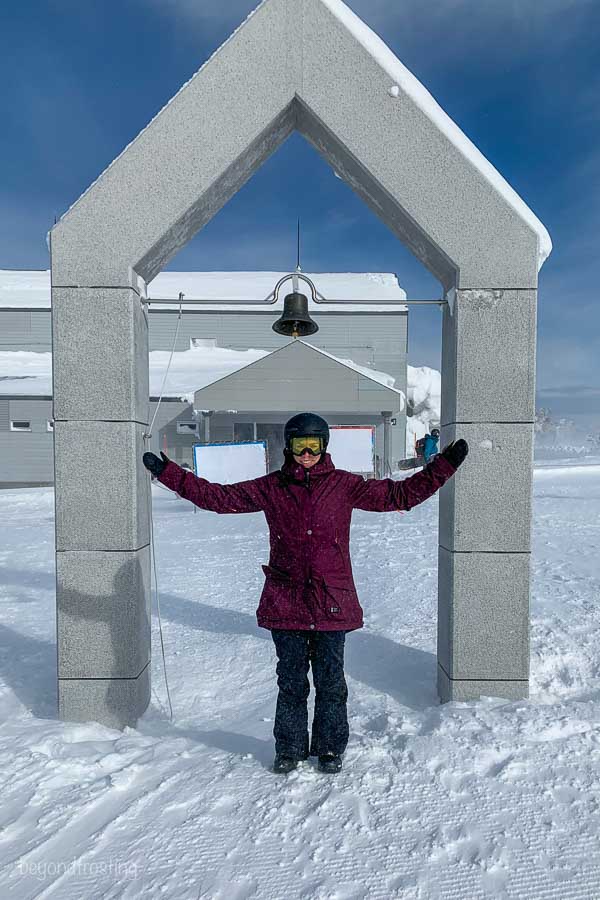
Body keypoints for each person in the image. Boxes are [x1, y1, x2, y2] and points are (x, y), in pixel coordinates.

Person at [143, 413, 468, 776]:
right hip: (287, 601)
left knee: (331, 683)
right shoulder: (272, 487)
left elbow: (400, 495)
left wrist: (444, 465)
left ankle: (329, 749)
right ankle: (290, 748)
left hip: (331, 602)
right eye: (300, 445)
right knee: (292, 682)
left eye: (315, 445)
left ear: (325, 446)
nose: (308, 453)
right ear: (289, 447)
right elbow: (218, 498)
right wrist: (168, 472)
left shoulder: (345, 486)